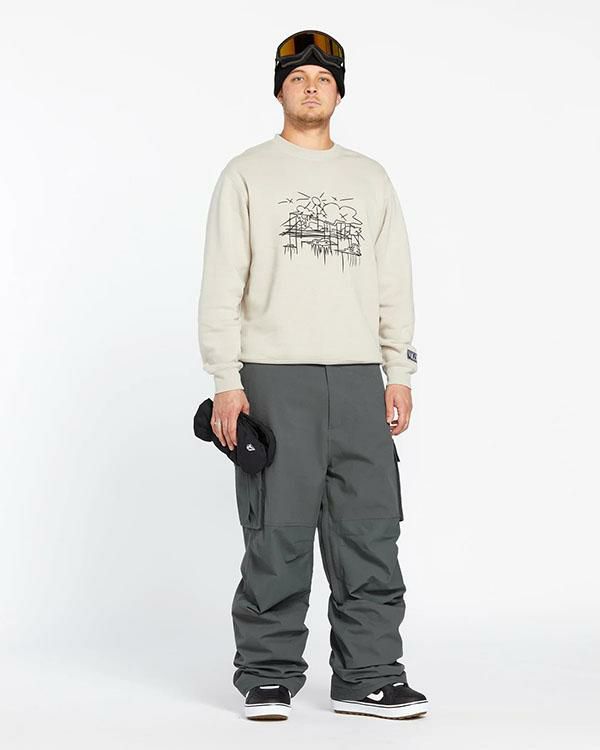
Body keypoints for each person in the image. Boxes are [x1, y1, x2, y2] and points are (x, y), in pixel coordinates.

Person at [197, 29, 428, 722]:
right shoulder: (246, 173)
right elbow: (222, 284)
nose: (310, 87)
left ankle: (370, 677)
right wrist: (226, 380)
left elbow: (393, 282)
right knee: (279, 530)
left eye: (323, 78)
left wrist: (398, 370)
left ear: (339, 92)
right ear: (279, 90)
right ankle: (267, 676)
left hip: (359, 378)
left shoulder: (370, 178)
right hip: (273, 378)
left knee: (369, 527)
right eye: (297, 77)